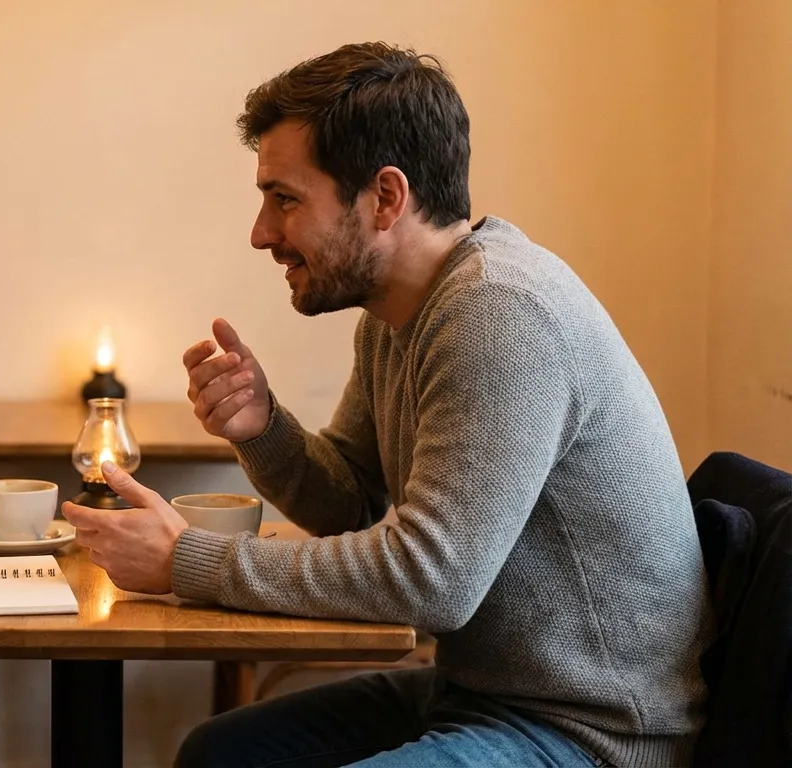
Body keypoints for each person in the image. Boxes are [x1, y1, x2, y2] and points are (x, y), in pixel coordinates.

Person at [63, 42, 712, 768]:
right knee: (221, 754)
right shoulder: (397, 314)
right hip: (477, 695)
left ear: (386, 198)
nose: (261, 233)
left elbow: (432, 578)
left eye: (285, 199)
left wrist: (188, 559)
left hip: (592, 734)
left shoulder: (499, 312)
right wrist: (264, 429)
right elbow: (350, 499)